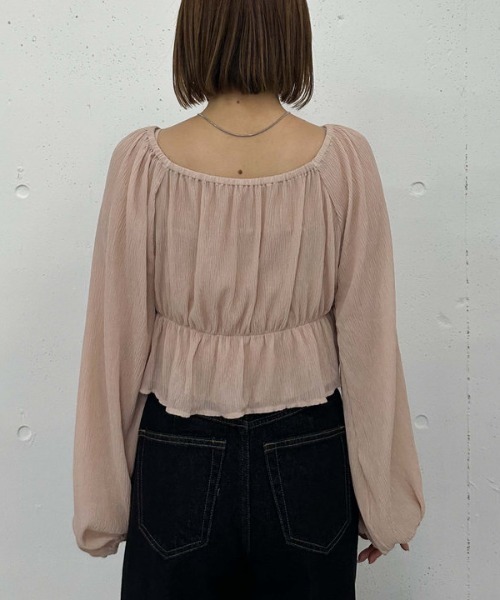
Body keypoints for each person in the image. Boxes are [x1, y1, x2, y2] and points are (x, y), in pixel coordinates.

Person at [72, 0, 425, 598]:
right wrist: (385, 501)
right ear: (293, 30)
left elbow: (114, 344)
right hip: (309, 453)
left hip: (178, 453)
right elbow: (369, 342)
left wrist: (101, 507)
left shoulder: (142, 166)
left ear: (194, 31)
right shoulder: (342, 164)